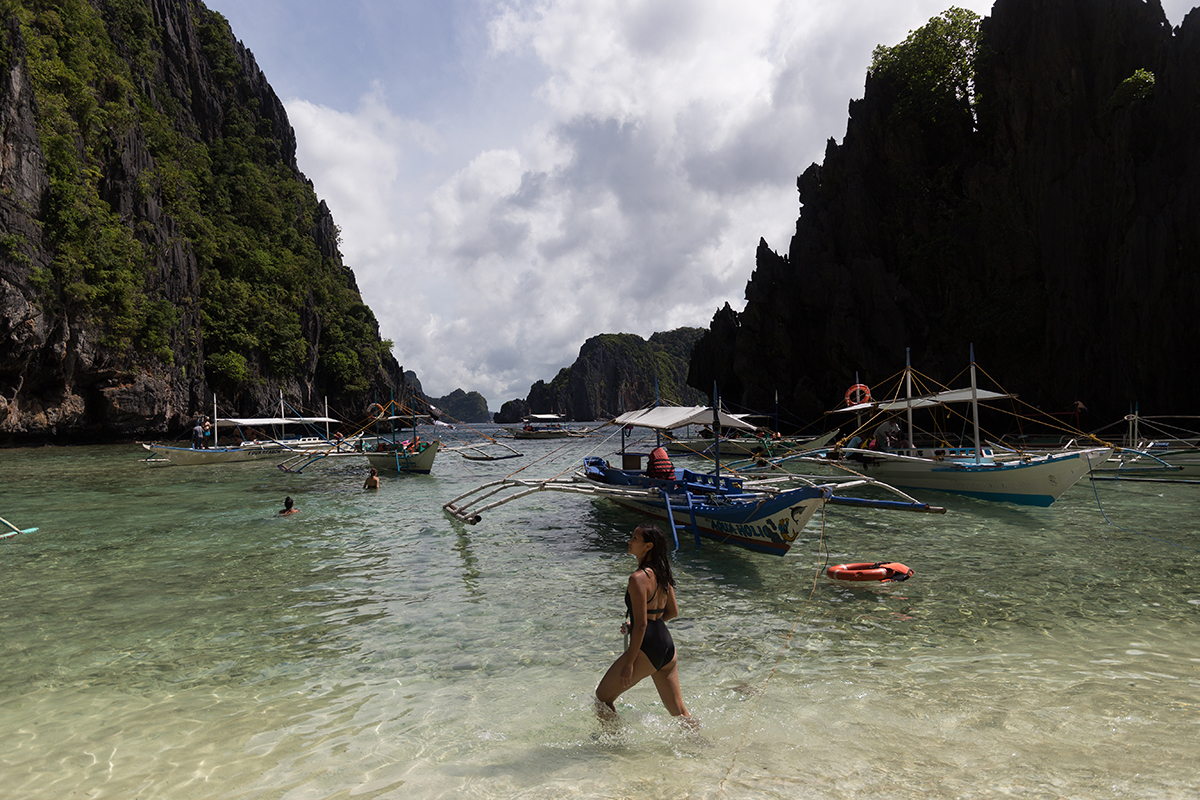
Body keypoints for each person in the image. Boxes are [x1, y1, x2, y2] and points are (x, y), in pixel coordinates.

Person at [596, 524, 695, 726]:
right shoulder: (662, 573)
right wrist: (642, 624)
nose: (629, 541)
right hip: (666, 646)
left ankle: (615, 744)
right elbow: (672, 612)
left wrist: (629, 664)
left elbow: (642, 626)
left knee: (602, 699)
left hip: (647, 648)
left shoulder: (638, 578)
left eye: (634, 538)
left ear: (648, 546)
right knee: (679, 711)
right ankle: (701, 745)